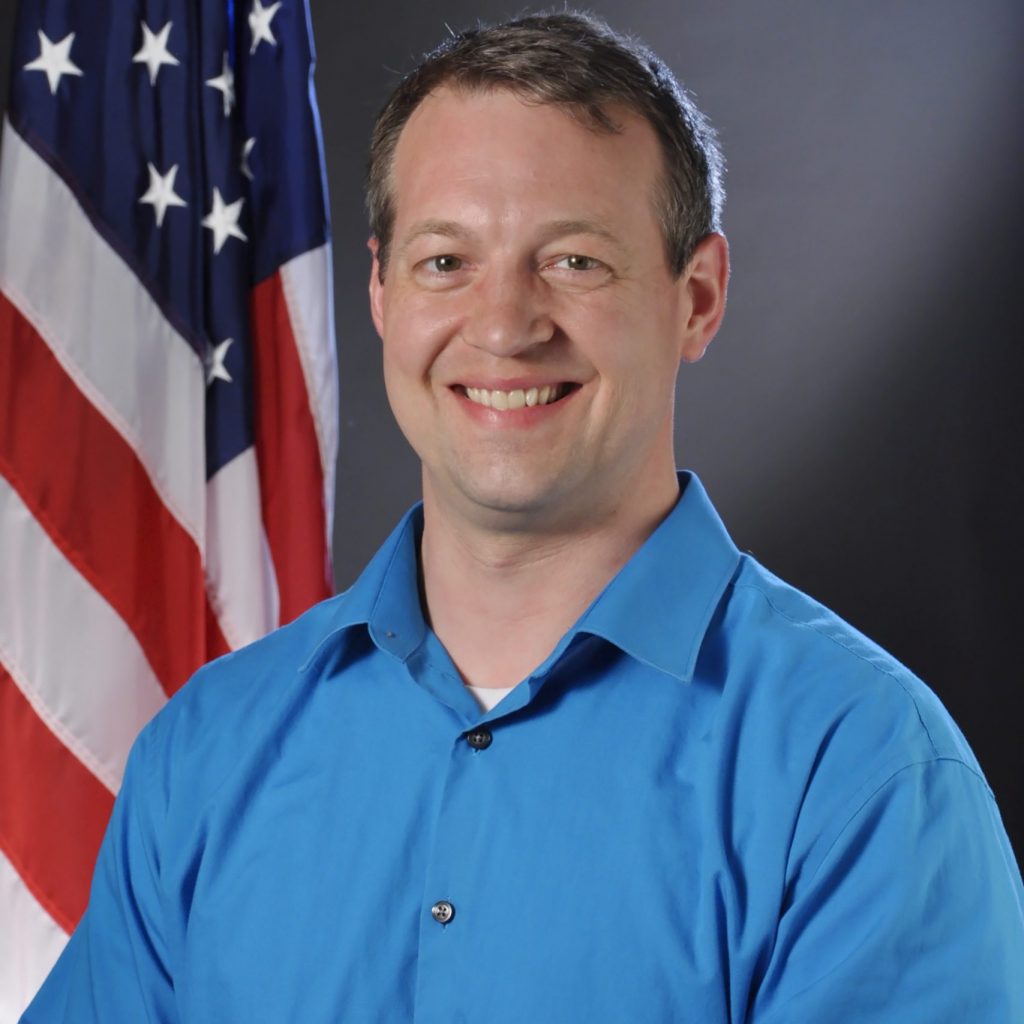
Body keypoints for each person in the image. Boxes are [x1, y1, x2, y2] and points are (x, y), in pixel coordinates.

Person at [23, 11, 1024, 1022]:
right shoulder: (205, 751)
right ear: (380, 292)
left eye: (574, 261)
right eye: (445, 262)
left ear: (697, 297)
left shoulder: (858, 770)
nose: (504, 326)